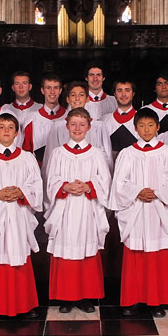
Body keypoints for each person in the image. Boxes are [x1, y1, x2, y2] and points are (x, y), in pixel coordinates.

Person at [110, 108, 168, 318]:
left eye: (151, 125)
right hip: (136, 211)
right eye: (142, 125)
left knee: (158, 254)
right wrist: (138, 192)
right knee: (136, 253)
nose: (146, 130)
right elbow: (119, 183)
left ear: (158, 127)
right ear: (135, 128)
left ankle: (156, 300)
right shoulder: (127, 153)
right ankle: (133, 299)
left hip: (159, 210)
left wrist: (157, 192)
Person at [0, 113, 43, 320]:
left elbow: (36, 186)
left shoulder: (27, 158)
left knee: (19, 254)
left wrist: (22, 192)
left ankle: (24, 305)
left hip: (18, 215)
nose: (6, 131)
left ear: (17, 132)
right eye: (1, 127)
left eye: (10, 127)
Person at [44, 108, 111, 313]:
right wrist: (63, 186)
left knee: (86, 249)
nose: (77, 128)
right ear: (66, 126)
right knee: (65, 250)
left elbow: (105, 180)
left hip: (86, 208)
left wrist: (89, 186)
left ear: (89, 127)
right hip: (65, 209)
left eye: (82, 125)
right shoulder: (58, 153)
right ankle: (66, 297)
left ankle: (85, 297)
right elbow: (50, 180)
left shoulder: (96, 153)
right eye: (73, 124)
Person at [44, 80, 111, 171]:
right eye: (73, 95)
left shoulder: (99, 127)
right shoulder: (57, 127)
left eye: (81, 95)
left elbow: (108, 160)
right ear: (68, 99)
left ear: (87, 99)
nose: (77, 98)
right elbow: (50, 159)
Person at [21, 74, 66, 166]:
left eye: (56, 88)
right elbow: (26, 151)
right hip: (38, 171)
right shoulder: (31, 119)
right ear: (42, 90)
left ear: (60, 90)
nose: (52, 91)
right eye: (48, 88)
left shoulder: (69, 118)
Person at [99, 79, 138, 158]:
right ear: (114, 94)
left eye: (127, 90)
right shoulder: (104, 120)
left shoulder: (143, 120)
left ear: (133, 93)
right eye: (119, 90)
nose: (123, 94)